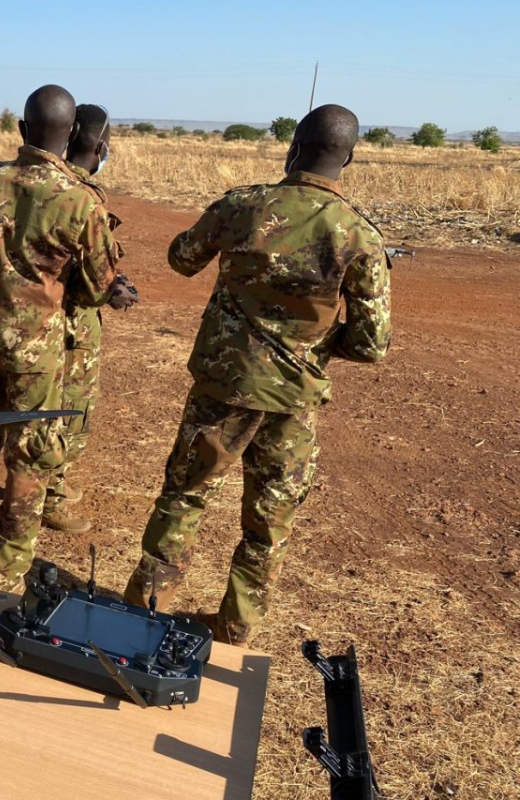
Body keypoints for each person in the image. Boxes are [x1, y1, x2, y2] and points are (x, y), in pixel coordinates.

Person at [121, 104, 392, 646]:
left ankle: (144, 609)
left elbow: (181, 258)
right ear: (351, 158)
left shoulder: (243, 206)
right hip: (293, 399)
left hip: (224, 387)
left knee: (186, 495)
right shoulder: (359, 236)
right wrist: (314, 343)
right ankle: (236, 628)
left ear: (292, 147)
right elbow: (371, 343)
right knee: (269, 524)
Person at [0, 85, 121, 592]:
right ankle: (5, 576)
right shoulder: (79, 201)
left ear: (22, 130)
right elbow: (94, 288)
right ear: (70, 139)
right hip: (39, 354)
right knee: (30, 458)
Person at [42, 104, 139, 535]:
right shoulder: (85, 198)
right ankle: (52, 495)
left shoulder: (35, 182)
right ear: (100, 147)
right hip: (72, 325)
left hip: (28, 322)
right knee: (69, 412)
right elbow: (96, 279)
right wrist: (115, 289)